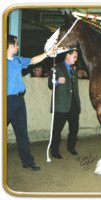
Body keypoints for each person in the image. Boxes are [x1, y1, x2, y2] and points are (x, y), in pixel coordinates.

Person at [7, 34, 54, 171]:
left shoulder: (17, 60)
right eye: (16, 44)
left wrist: (47, 53)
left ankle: (28, 161)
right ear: (10, 46)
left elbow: (33, 60)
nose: (18, 46)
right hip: (6, 101)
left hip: (19, 100)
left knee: (22, 133)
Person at [48, 49, 81, 159]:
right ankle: (55, 151)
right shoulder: (57, 68)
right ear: (68, 55)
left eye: (76, 57)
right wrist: (57, 82)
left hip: (73, 104)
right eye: (74, 56)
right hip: (61, 104)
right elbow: (50, 84)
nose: (76, 59)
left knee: (74, 128)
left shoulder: (73, 70)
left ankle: (71, 147)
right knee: (57, 129)